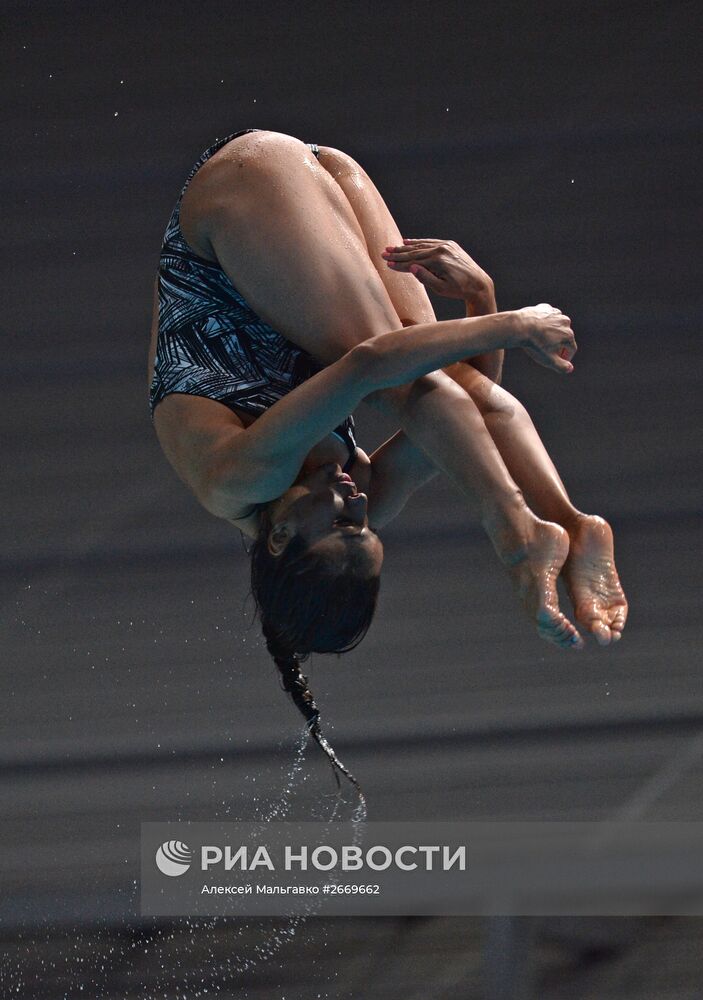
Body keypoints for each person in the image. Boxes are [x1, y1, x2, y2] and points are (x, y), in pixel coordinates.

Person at [148, 128, 627, 791]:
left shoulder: (241, 476)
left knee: (399, 377)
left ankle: (518, 532)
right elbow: (471, 410)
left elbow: (370, 364)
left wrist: (515, 325)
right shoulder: (350, 490)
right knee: (433, 389)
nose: (359, 502)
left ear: (281, 535)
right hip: (313, 198)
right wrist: (480, 297)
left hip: (243, 193)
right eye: (366, 526)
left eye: (341, 521)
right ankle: (569, 523)